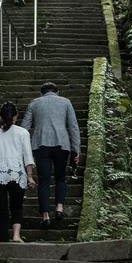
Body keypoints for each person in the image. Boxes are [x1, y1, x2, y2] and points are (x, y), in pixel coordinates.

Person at [21, 82, 81, 230]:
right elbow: (73, 127)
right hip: (62, 145)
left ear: (42, 93)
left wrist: (22, 149)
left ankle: (45, 216)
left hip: (41, 145)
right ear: (57, 92)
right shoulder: (66, 102)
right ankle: (59, 207)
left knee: (44, 181)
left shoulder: (34, 103)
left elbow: (24, 129)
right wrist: (76, 150)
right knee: (60, 178)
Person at [0, 102, 35, 243]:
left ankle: (3, 239)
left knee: (0, 210)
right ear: (16, 116)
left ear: (0, 116)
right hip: (17, 174)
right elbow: (28, 156)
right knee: (16, 206)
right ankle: (16, 235)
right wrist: (30, 176)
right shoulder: (23, 133)